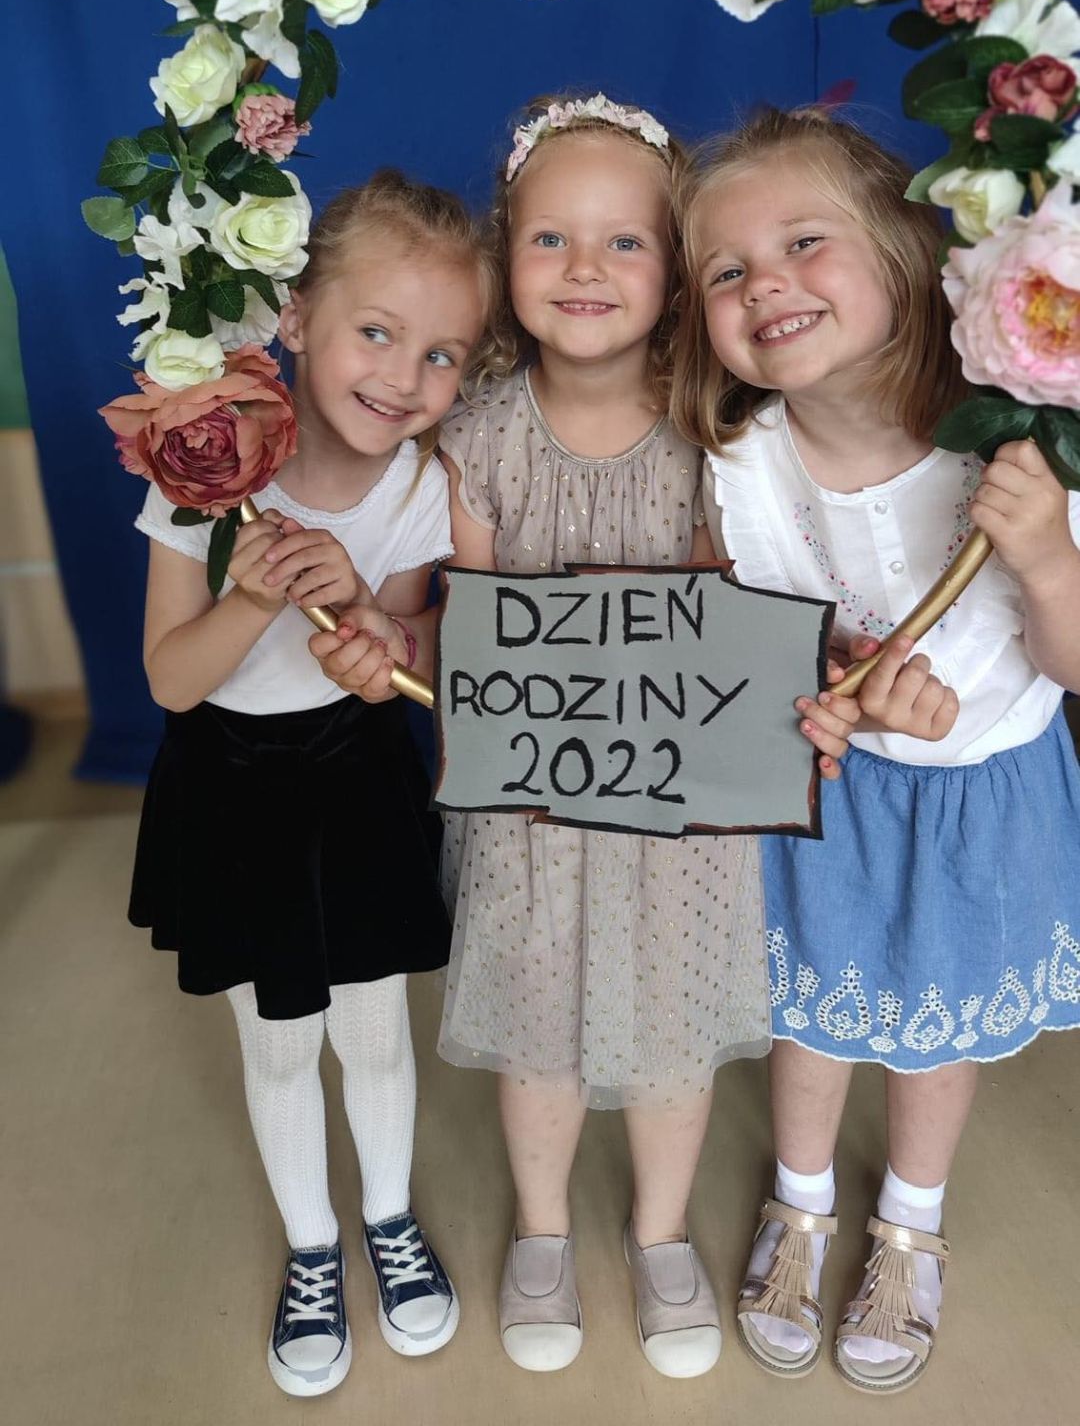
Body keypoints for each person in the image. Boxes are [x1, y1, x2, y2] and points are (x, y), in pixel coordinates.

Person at [319, 93, 851, 1382]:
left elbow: (742, 628)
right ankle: (543, 1233)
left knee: (672, 1041)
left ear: (675, 271)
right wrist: (389, 644)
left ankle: (662, 1236)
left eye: (625, 242)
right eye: (551, 239)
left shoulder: (723, 439)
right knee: (537, 1034)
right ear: (508, 258)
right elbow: (460, 624)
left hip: (682, 823)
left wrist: (807, 698)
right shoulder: (476, 441)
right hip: (530, 817)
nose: (586, 268)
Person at [673, 104, 1080, 1393]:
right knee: (817, 1005)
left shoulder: (1022, 443)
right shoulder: (741, 459)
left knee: (933, 1024)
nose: (766, 284)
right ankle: (799, 1201)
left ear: (906, 250)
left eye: (804, 243)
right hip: (834, 792)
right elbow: (736, 635)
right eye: (727, 270)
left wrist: (1046, 557)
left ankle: (910, 1221)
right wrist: (824, 690)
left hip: (982, 797)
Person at [128, 170, 493, 1396]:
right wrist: (252, 594)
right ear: (294, 318)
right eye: (375, 332)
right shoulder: (201, 468)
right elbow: (172, 681)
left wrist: (374, 626)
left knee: (376, 1034)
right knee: (281, 1044)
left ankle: (389, 1216)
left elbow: (402, 658)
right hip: (233, 790)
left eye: (441, 354)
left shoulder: (425, 488)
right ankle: (313, 1245)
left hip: (357, 780)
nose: (404, 377)